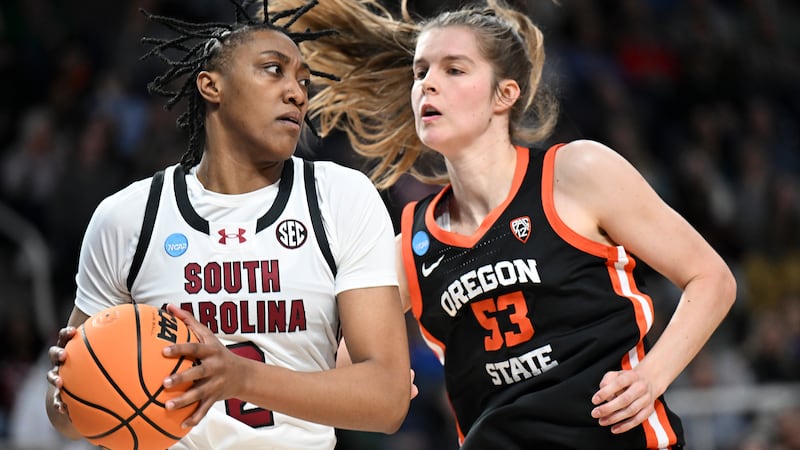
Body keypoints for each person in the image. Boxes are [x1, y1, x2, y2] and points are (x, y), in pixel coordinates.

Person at [273, 0, 738, 448]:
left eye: (453, 70)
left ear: (505, 94)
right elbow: (339, 373)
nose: (427, 85)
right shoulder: (409, 246)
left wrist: (650, 377)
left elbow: (712, 279)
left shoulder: (577, 174)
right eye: (420, 72)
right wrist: (377, 387)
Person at [45, 1, 411, 449]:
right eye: (273, 70)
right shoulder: (127, 217)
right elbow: (63, 417)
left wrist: (239, 377)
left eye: (303, 80)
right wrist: (79, 386)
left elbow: (388, 401)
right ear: (210, 85)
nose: (296, 92)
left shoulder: (341, 197)